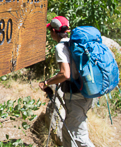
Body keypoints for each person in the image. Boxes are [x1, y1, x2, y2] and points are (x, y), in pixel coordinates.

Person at [39, 16, 95, 147]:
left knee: (78, 137)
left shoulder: (60, 47)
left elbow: (65, 73)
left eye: (50, 31)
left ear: (53, 31)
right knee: (67, 132)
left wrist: (46, 83)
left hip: (77, 97)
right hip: (86, 93)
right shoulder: (73, 44)